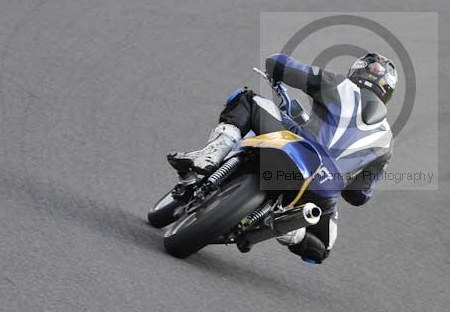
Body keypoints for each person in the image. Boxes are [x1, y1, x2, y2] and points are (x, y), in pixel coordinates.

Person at [166, 52, 397, 264]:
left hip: (295, 147)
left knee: (248, 98)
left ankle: (210, 155)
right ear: (387, 92)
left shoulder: (339, 84)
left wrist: (276, 72)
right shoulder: (386, 141)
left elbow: (279, 64)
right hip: (324, 188)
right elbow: (358, 196)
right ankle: (292, 232)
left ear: (357, 72)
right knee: (322, 249)